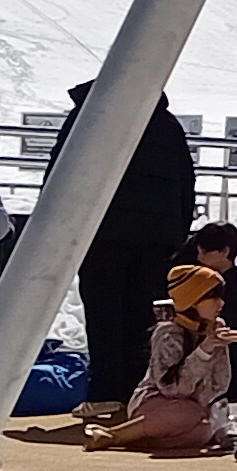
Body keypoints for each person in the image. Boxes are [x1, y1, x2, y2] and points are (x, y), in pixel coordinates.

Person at [60, 74, 196, 428]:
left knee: (103, 314)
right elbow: (186, 183)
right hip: (154, 239)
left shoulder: (88, 118)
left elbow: (61, 175)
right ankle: (136, 390)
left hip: (100, 234)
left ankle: (105, 390)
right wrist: (176, 235)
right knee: (139, 317)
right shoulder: (167, 125)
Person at [92, 265, 231, 454]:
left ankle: (143, 440)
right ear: (192, 300)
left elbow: (220, 385)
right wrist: (203, 351)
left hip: (194, 407)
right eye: (213, 297)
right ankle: (115, 434)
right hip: (155, 402)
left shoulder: (210, 330)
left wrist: (219, 348)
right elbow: (172, 388)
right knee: (190, 414)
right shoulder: (168, 333)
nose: (221, 303)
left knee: (204, 431)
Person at [184, 220, 237, 393]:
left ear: (225, 252)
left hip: (233, 363)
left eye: (205, 251)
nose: (199, 257)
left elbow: (231, 324)